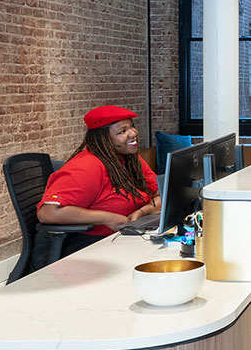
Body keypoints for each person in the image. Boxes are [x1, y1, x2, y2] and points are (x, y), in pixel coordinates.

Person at [37, 105, 161, 256]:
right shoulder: (86, 166)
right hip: (89, 247)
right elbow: (48, 212)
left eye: (131, 127)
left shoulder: (130, 159)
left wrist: (143, 211)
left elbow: (162, 193)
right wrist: (107, 219)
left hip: (125, 238)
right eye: (122, 131)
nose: (133, 133)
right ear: (103, 138)